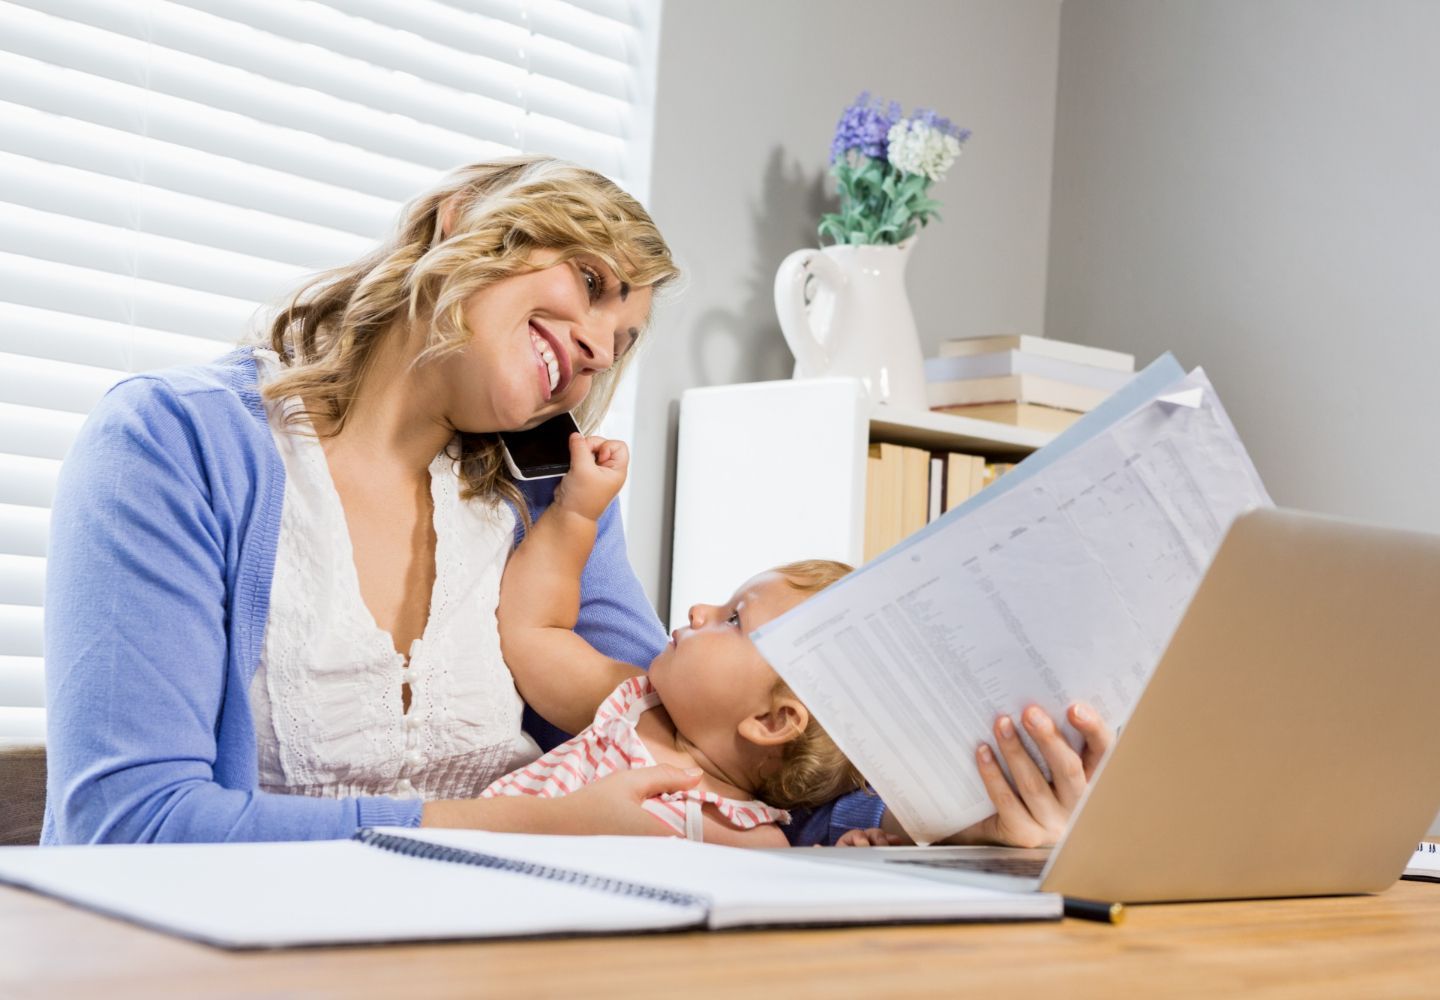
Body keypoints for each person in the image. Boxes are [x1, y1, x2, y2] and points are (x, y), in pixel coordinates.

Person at [42, 154, 1108, 847]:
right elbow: (130, 828)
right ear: (465, 220)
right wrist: (529, 825)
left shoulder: (545, 490)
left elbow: (719, 744)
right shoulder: (176, 446)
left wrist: (966, 816)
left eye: (623, 342)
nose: (599, 345)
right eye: (592, 285)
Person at [482, 431, 863, 846]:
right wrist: (575, 511)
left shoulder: (750, 841)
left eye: (734, 619)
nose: (699, 610)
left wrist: (846, 859)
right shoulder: (629, 703)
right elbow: (533, 629)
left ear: (771, 722)